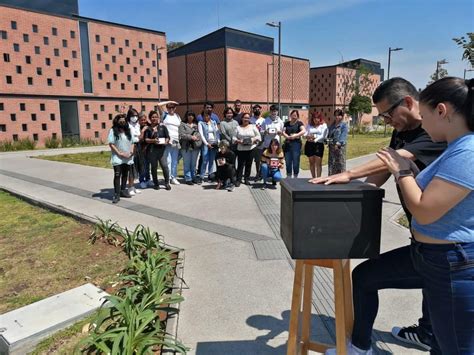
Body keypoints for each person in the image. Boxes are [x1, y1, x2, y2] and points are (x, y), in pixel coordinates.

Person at [314, 77, 447, 354]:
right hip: (426, 237)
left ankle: (361, 348)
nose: (386, 121)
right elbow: (385, 169)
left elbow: (396, 158)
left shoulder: (434, 131)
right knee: (430, 292)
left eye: (387, 114)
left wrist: (349, 172)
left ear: (409, 102)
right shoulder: (404, 128)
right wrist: (354, 192)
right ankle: (427, 332)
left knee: (364, 277)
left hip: (444, 249)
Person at [373, 77, 474, 355]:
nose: (422, 123)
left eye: (425, 114)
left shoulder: (467, 151)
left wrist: (402, 171)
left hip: (454, 263)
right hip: (438, 259)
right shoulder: (456, 148)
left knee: (454, 347)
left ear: (441, 111)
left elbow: (424, 210)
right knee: (442, 345)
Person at [108, 114, 136, 203]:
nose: (122, 122)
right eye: (120, 121)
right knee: (117, 175)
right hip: (118, 157)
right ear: (117, 121)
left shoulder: (129, 130)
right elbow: (111, 144)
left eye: (124, 121)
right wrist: (119, 153)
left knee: (125, 175)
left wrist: (131, 153)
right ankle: (116, 194)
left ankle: (123, 190)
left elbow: (133, 142)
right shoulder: (113, 131)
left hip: (128, 157)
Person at [144, 110, 171, 191]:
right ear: (150, 118)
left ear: (158, 118)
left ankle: (167, 183)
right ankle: (156, 183)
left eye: (155, 117)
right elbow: (146, 139)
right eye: (152, 117)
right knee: (154, 167)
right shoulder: (148, 128)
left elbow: (167, 137)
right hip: (152, 151)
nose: (154, 118)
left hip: (161, 150)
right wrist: (153, 141)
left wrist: (166, 142)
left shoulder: (162, 127)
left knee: (165, 166)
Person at [234, 112, 261, 186]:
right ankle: (238, 180)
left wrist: (253, 140)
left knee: (249, 164)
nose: (246, 119)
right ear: (242, 118)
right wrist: (239, 141)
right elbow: (233, 137)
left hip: (251, 148)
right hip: (241, 149)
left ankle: (246, 179)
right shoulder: (238, 127)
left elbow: (258, 136)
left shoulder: (253, 126)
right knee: (240, 165)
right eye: (245, 118)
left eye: (248, 118)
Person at [157, 101, 181, 185]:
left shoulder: (177, 116)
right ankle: (168, 178)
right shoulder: (164, 115)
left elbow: (179, 128)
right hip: (167, 141)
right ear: (167, 108)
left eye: (173, 107)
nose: (171, 109)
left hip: (176, 140)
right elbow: (159, 105)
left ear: (175, 108)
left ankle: (173, 177)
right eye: (169, 107)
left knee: (175, 160)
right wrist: (170, 101)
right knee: (168, 160)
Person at [179, 111, 202, 185]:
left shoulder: (197, 124)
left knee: (193, 163)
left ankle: (193, 177)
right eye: (189, 115)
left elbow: (199, 134)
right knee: (187, 163)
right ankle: (188, 178)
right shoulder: (182, 124)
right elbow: (181, 135)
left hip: (195, 146)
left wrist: (197, 137)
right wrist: (191, 137)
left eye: (192, 115)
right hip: (186, 147)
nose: (190, 117)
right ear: (186, 116)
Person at [282, 109, 306, 178]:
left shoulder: (299, 123)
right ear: (290, 115)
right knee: (288, 160)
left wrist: (296, 135)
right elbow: (283, 131)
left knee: (296, 161)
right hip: (288, 144)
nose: (294, 116)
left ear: (297, 116)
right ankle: (288, 175)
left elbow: (303, 131)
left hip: (296, 144)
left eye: (295, 115)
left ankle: (295, 176)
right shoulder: (286, 123)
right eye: (292, 115)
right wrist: (287, 136)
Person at [305, 111, 328, 178]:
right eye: (314, 118)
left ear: (320, 118)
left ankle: (318, 178)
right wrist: (307, 136)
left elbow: (323, 136)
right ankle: (313, 178)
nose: (316, 119)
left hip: (318, 145)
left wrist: (315, 139)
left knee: (318, 163)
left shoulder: (323, 125)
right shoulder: (309, 125)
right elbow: (305, 133)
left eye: (317, 118)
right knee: (311, 163)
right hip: (309, 144)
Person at [198, 111, 220, 181]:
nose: (206, 117)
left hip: (214, 143)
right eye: (204, 116)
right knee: (205, 160)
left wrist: (218, 142)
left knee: (211, 161)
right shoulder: (200, 123)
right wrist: (207, 144)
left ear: (210, 116)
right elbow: (201, 135)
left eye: (207, 115)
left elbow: (217, 133)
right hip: (206, 144)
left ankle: (210, 176)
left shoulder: (213, 122)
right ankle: (201, 176)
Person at [327, 109, 348, 175]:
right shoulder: (332, 125)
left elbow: (343, 135)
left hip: (340, 147)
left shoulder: (344, 125)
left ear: (342, 116)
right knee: (332, 162)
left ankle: (341, 177)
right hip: (332, 147)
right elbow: (329, 135)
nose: (337, 117)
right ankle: (331, 177)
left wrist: (338, 143)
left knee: (340, 162)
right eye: (335, 115)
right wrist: (327, 141)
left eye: (339, 115)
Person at [126, 108, 142, 195]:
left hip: (138, 146)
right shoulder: (127, 125)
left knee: (136, 167)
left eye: (136, 115)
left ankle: (133, 185)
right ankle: (130, 187)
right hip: (131, 146)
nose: (135, 117)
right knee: (131, 168)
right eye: (133, 116)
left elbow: (138, 136)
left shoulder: (137, 125)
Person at [250, 104, 266, 181]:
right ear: (253, 110)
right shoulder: (250, 120)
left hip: (261, 142)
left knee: (260, 160)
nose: (257, 110)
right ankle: (255, 174)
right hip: (252, 142)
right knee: (254, 160)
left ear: (261, 110)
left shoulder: (263, 120)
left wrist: (261, 141)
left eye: (258, 109)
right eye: (255, 109)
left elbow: (265, 132)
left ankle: (260, 174)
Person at [137, 111, 151, 189]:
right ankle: (142, 180)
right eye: (141, 120)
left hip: (149, 149)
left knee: (147, 165)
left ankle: (148, 179)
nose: (143, 121)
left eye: (144, 119)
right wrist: (142, 131)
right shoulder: (137, 127)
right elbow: (139, 139)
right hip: (141, 149)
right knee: (142, 165)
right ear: (138, 120)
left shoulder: (148, 126)